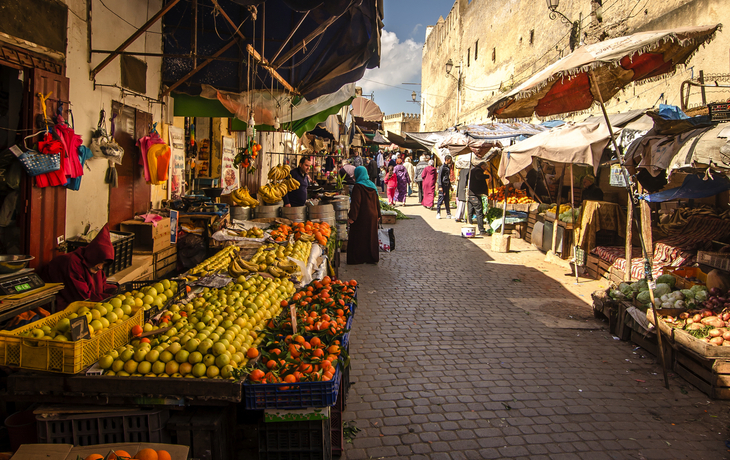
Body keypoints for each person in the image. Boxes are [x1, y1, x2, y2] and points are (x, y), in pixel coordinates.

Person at [38, 225, 118, 310]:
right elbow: (83, 298)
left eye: (104, 264)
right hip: (59, 305)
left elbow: (102, 287)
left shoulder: (94, 265)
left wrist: (116, 291)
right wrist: (111, 297)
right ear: (94, 256)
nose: (100, 267)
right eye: (100, 263)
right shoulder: (72, 264)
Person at [348, 166, 381, 264]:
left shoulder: (358, 187)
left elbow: (356, 203)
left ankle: (359, 258)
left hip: (362, 216)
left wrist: (352, 217)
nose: (353, 176)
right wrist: (378, 214)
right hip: (373, 215)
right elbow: (377, 202)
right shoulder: (372, 185)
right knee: (371, 236)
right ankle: (371, 257)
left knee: (359, 237)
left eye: (355, 173)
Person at [468, 162, 491, 235]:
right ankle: (482, 230)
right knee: (479, 212)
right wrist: (487, 176)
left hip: (470, 193)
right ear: (482, 166)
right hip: (475, 194)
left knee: (470, 211)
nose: (485, 170)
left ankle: (469, 226)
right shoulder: (477, 170)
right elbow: (479, 177)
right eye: (485, 168)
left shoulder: (472, 170)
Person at [435, 155, 454, 219]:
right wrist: (440, 186)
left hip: (447, 185)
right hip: (442, 185)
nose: (450, 161)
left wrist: (450, 186)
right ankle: (438, 213)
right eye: (450, 160)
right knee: (440, 199)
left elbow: (447, 178)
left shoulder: (448, 167)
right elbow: (439, 177)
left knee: (447, 200)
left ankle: (448, 213)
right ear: (447, 159)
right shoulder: (442, 167)